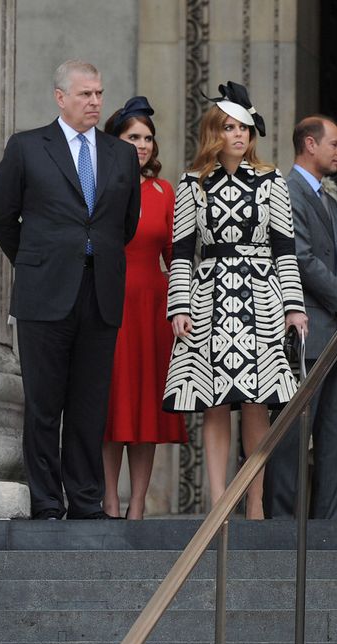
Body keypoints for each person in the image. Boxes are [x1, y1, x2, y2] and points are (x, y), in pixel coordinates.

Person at [0, 60, 140, 520]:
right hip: (44, 293)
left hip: (100, 291)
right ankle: (47, 501)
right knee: (44, 402)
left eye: (99, 94)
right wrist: (37, 262)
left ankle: (86, 499)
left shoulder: (120, 154)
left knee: (89, 404)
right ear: (60, 97)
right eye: (85, 94)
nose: (95, 102)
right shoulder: (28, 147)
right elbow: (1, 217)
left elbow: (125, 225)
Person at [162, 82, 308, 520]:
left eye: (244, 127)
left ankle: (255, 501)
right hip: (209, 297)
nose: (239, 135)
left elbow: (286, 248)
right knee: (215, 402)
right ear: (214, 132)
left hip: (261, 295)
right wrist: (179, 306)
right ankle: (218, 501)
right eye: (229, 127)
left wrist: (294, 306)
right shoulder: (192, 183)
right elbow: (182, 250)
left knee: (256, 401)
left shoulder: (272, 181)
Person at [264, 115, 337, 520]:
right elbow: (300, 257)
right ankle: (283, 525)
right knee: (292, 437)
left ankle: (333, 528)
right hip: (307, 331)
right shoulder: (286, 191)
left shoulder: (330, 198)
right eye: (335, 144)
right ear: (309, 143)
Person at [100, 96, 188, 520]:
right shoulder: (96, 183)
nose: (142, 144)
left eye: (148, 138)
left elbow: (176, 256)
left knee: (147, 408)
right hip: (109, 302)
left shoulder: (163, 190)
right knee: (112, 404)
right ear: (114, 140)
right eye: (133, 136)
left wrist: (183, 306)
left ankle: (137, 506)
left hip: (153, 307)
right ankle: (109, 501)